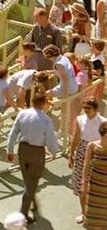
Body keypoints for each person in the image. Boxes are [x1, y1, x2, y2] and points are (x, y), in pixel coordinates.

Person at [6, 90, 59, 221]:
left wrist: (9, 149)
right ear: (43, 104)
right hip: (37, 153)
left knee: (28, 181)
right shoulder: (46, 119)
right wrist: (54, 151)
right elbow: (50, 139)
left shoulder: (22, 114)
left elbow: (13, 132)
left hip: (22, 150)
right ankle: (23, 213)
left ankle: (33, 202)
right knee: (31, 183)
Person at [70, 98, 106, 203]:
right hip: (82, 150)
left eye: (88, 108)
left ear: (95, 108)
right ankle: (83, 211)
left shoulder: (104, 122)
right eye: (84, 107)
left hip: (98, 151)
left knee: (97, 179)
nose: (86, 110)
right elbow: (76, 137)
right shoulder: (80, 119)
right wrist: (71, 154)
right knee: (81, 180)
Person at [82, 121, 107, 230]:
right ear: (103, 134)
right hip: (96, 185)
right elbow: (86, 166)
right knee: (95, 212)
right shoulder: (92, 146)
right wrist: (83, 184)